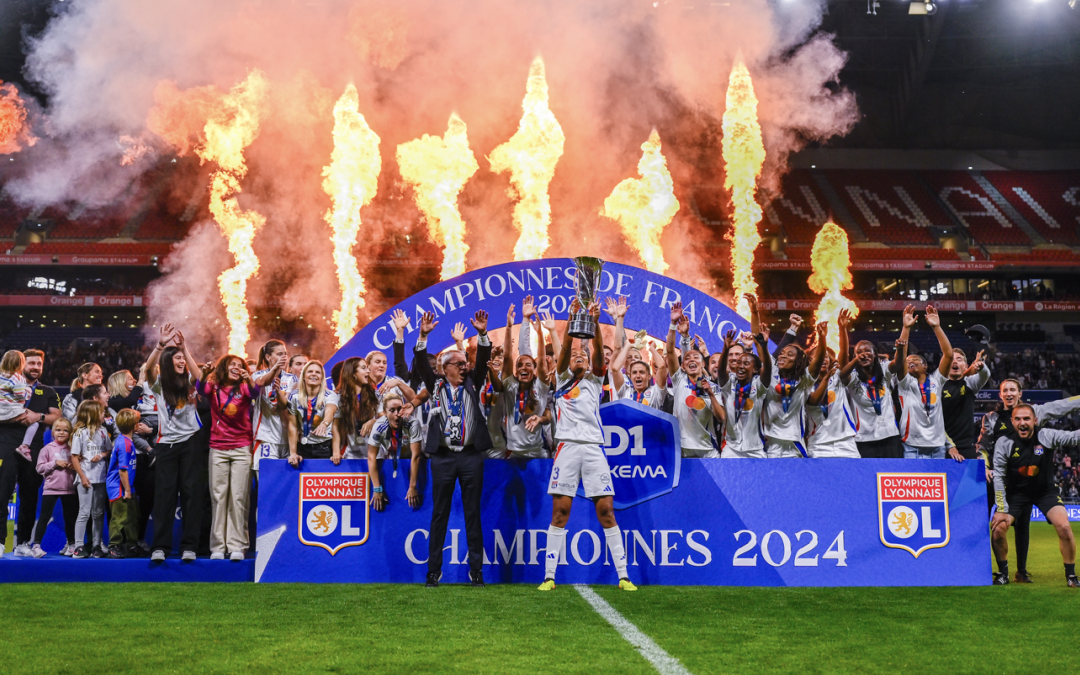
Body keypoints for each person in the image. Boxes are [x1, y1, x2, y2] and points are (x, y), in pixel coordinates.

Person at [538, 299, 635, 592]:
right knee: (560, 513)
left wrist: (593, 321)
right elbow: (565, 349)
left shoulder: (594, 379)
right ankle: (549, 577)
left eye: (584, 353)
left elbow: (599, 357)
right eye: (575, 355)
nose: (579, 356)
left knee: (606, 511)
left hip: (593, 448)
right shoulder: (561, 379)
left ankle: (624, 576)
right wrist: (570, 320)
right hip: (566, 447)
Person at [412, 309, 493, 588]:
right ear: (444, 368)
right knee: (439, 514)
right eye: (458, 363)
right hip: (443, 458)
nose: (464, 367)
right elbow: (422, 362)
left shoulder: (473, 382)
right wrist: (423, 335)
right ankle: (433, 572)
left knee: (473, 513)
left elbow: (482, 360)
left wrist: (482, 334)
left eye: (464, 364)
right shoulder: (435, 385)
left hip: (471, 456)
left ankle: (476, 572)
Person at [976, 380, 1080, 583]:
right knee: (998, 526)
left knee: (1063, 527)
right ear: (1013, 422)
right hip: (1014, 489)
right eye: (1004, 390)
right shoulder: (999, 434)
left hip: (1044, 491)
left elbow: (1070, 425)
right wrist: (1001, 505)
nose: (1023, 422)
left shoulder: (1046, 434)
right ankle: (1004, 574)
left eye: (1027, 419)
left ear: (1035, 419)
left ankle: (1070, 576)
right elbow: (991, 463)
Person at [145, 324, 205, 562]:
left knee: (192, 494)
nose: (181, 361)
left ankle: (189, 546)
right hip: (166, 445)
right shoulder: (159, 383)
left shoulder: (190, 381)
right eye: (177, 358)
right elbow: (149, 367)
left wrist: (184, 347)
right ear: (168, 361)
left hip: (191, 442)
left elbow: (200, 376)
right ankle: (160, 547)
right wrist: (161, 345)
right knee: (165, 496)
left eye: (183, 358)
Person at [197, 353, 264, 561]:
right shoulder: (213, 388)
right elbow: (199, 386)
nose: (236, 367)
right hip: (217, 448)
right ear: (223, 368)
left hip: (242, 448)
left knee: (238, 497)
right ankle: (218, 546)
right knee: (219, 497)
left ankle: (237, 546)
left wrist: (249, 377)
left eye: (239, 365)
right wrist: (203, 372)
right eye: (232, 364)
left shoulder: (244, 388)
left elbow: (255, 390)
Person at [1, 348, 61, 557]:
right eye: (32, 363)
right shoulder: (5, 383)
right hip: (5, 443)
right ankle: (0, 542)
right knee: (2, 491)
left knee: (29, 496)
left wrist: (38, 416)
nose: (35, 367)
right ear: (22, 364)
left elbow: (57, 417)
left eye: (39, 364)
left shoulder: (48, 391)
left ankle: (23, 543)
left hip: (33, 448)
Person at [488, 303, 552, 459]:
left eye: (528, 365)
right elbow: (508, 357)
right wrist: (509, 326)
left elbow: (542, 360)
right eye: (520, 365)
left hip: (538, 452)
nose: (524, 367)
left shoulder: (541, 386)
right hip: (514, 453)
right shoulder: (510, 385)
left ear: (534, 369)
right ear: (516, 370)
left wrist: (539, 333)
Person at [893, 305, 954, 459]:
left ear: (925, 366)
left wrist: (937, 327)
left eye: (915, 360)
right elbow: (901, 356)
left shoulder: (936, 380)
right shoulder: (905, 384)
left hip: (938, 446)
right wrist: (906, 328)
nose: (910, 361)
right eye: (908, 361)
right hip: (911, 446)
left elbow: (948, 355)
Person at [667, 301, 726, 458]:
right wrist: (673, 324)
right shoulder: (679, 379)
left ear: (702, 364)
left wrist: (711, 394)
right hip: (682, 450)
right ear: (683, 367)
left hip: (709, 451)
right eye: (687, 358)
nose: (691, 359)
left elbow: (721, 417)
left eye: (695, 357)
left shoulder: (713, 387)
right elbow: (670, 351)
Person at [762, 321, 826, 459]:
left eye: (790, 354)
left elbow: (818, 362)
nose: (783, 355)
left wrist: (822, 338)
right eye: (782, 353)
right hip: (771, 444)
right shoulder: (771, 375)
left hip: (794, 445)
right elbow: (766, 353)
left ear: (798, 361)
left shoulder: (804, 381)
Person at [805, 311, 861, 458]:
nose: (823, 359)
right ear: (810, 362)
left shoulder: (838, 377)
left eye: (827, 357)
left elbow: (844, 355)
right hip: (818, 443)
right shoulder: (804, 382)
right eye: (818, 357)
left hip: (846, 441)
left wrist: (842, 329)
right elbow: (813, 401)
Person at [850, 313, 907, 459]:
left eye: (867, 351)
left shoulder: (883, 370)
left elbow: (898, 363)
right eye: (859, 352)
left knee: (892, 475)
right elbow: (842, 374)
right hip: (863, 438)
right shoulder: (853, 378)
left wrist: (901, 344)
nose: (863, 354)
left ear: (875, 354)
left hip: (890, 436)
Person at [716, 326, 772, 458]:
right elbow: (721, 371)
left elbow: (768, 370)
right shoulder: (730, 383)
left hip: (755, 450)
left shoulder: (759, 386)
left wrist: (764, 347)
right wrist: (726, 349)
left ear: (755, 370)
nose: (740, 366)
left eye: (746, 364)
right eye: (739, 363)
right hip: (731, 449)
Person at [366, 393, 422, 511]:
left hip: (412, 459)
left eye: (400, 409)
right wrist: (377, 489)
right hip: (391, 458)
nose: (397, 414)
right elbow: (371, 456)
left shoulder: (413, 423)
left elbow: (416, 456)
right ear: (385, 413)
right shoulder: (379, 426)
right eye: (392, 410)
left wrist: (412, 486)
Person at [30, 418, 77, 557]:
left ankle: (71, 544)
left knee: (70, 518)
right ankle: (36, 545)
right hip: (51, 489)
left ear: (70, 433)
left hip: (69, 489)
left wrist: (73, 466)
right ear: (53, 432)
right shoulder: (47, 449)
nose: (61, 433)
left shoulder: (73, 449)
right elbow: (39, 468)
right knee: (44, 517)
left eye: (65, 430)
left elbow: (79, 467)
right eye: (58, 430)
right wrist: (55, 463)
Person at [70, 399, 111, 558]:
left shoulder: (103, 432)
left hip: (101, 478)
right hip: (85, 479)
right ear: (92, 414)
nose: (104, 415)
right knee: (84, 512)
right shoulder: (80, 432)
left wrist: (101, 455)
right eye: (101, 413)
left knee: (98, 513)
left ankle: (96, 545)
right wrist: (82, 477)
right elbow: (74, 457)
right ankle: (78, 546)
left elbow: (108, 450)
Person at [941, 347, 991, 461]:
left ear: (966, 366)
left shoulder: (969, 383)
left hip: (966, 447)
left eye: (959, 359)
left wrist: (981, 365)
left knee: (971, 479)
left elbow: (985, 375)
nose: (955, 362)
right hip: (941, 446)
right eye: (951, 359)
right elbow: (935, 421)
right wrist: (949, 446)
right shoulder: (936, 386)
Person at [287, 360, 340, 462]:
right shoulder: (294, 396)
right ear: (304, 376)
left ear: (322, 378)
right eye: (310, 371)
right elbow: (292, 426)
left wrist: (324, 423)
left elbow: (330, 411)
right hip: (302, 447)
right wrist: (293, 453)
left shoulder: (330, 395)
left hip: (324, 448)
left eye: (317, 372)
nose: (314, 374)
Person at [106, 409, 141, 558]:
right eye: (137, 422)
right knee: (119, 518)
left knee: (132, 517)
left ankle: (131, 545)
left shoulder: (126, 441)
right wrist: (127, 490)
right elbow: (122, 471)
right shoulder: (124, 444)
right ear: (134, 426)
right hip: (119, 487)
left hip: (128, 486)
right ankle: (114, 546)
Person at [252, 340, 290, 474]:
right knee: (266, 480)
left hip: (287, 438)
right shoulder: (257, 375)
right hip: (265, 437)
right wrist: (275, 369)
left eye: (285, 354)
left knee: (285, 482)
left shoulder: (292, 379)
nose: (284, 357)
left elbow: (286, 405)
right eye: (279, 354)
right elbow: (262, 382)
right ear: (268, 357)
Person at [331, 357, 379, 463]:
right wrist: (336, 452)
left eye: (367, 368)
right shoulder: (340, 398)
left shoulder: (375, 395)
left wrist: (373, 421)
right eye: (363, 368)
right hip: (351, 454)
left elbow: (386, 418)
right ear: (353, 373)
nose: (368, 371)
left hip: (376, 453)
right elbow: (336, 426)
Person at [0, 350, 39, 460]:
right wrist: (28, 390)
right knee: (34, 423)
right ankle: (24, 447)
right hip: (12, 412)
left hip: (0, 412)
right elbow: (21, 395)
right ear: (21, 364)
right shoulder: (17, 378)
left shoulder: (1, 376)